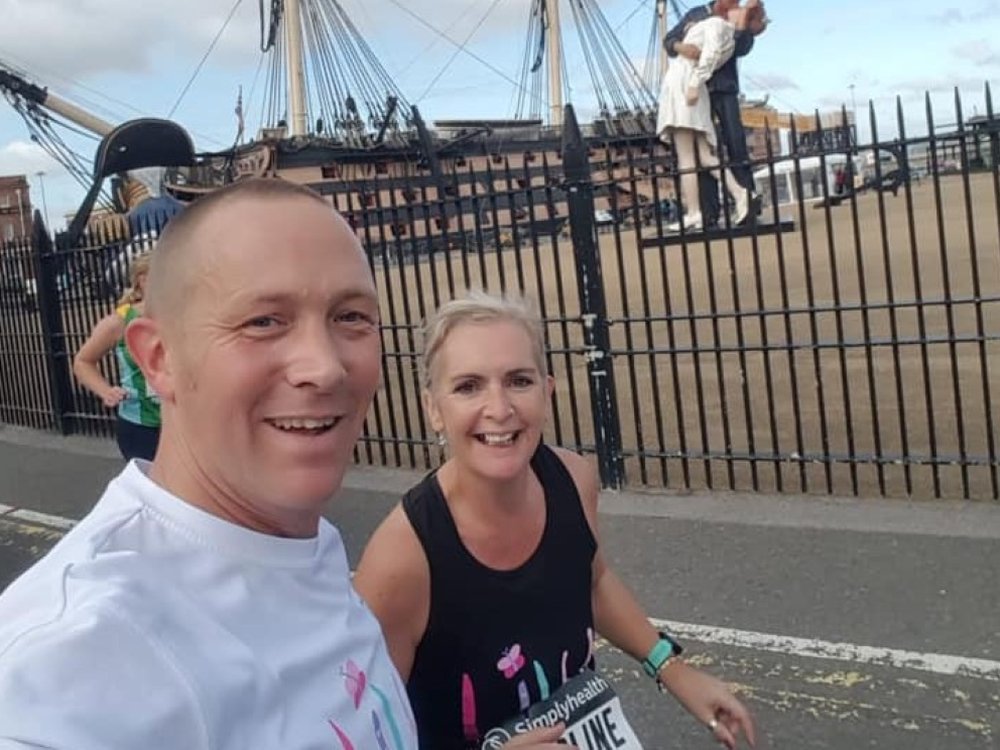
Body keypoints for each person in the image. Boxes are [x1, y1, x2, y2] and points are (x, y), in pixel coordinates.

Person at [0, 178, 568, 750]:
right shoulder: (84, 657)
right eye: (263, 321)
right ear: (159, 358)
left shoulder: (298, 545)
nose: (323, 368)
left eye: (350, 317)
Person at [354, 290, 756, 749]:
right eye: (468, 386)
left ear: (548, 391)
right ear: (433, 409)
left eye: (519, 381)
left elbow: (593, 579)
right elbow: (365, 735)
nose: (500, 409)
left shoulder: (572, 479)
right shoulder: (402, 559)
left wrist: (672, 667)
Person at [657, 2, 764, 231]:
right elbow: (669, 41)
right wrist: (680, 46)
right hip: (701, 86)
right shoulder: (697, 14)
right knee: (703, 153)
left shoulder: (732, 21)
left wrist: (744, 23)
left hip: (716, 88)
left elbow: (741, 47)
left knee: (733, 146)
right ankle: (710, 210)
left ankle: (740, 204)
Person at [72, 251, 161, 460]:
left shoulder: (185, 316)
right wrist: (105, 391)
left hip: (181, 424)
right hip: (141, 426)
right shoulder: (120, 321)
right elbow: (83, 362)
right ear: (143, 280)